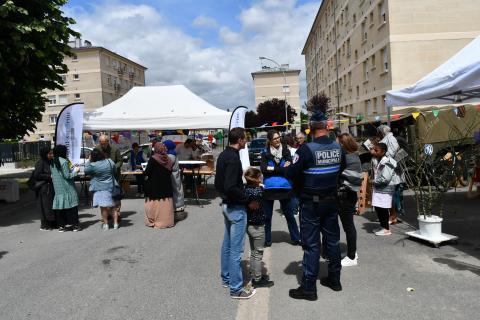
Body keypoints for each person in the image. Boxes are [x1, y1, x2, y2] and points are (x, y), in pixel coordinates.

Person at [286, 110, 346, 300]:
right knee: (333, 242)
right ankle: (335, 280)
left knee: (311, 246)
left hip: (311, 203)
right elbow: (341, 169)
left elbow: (292, 174)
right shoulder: (338, 148)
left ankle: (309, 289)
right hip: (331, 202)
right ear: (327, 127)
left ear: (311, 128)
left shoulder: (306, 149)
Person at [215, 127, 257, 299]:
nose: (246, 141)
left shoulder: (224, 155)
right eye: (245, 138)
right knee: (236, 250)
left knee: (227, 245)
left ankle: (226, 278)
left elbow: (220, 184)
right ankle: (236, 288)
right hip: (235, 208)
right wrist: (248, 199)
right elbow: (230, 186)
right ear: (239, 140)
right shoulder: (232, 158)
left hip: (227, 205)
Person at [260, 129, 300, 247]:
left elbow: (290, 167)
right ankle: (267, 240)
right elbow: (263, 169)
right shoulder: (265, 152)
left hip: (284, 187)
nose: (277, 140)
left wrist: (272, 169)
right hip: (269, 188)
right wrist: (281, 169)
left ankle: (295, 238)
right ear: (270, 141)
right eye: (275, 138)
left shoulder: (286, 150)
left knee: (290, 215)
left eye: (278, 138)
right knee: (267, 217)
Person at [244, 167, 274, 288]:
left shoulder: (245, 189)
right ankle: (257, 278)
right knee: (258, 253)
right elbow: (264, 194)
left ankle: (254, 273)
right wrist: (262, 186)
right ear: (256, 179)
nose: (262, 178)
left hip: (249, 224)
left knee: (253, 251)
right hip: (257, 226)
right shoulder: (258, 191)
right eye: (260, 176)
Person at [337, 133, 363, 267]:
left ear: (343, 144)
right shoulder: (355, 156)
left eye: (338, 144)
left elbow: (342, 175)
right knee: (349, 226)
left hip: (345, 195)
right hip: (350, 194)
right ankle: (352, 252)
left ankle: (352, 257)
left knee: (348, 227)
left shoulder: (347, 158)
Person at [84, 149, 119, 230]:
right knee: (113, 207)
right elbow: (114, 170)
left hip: (99, 188)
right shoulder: (109, 161)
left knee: (103, 207)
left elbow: (86, 170)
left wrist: (89, 160)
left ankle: (106, 224)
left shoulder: (93, 165)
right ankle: (115, 224)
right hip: (110, 186)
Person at [377, 125, 404, 224]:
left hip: (392, 172)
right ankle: (391, 215)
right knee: (390, 194)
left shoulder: (391, 138)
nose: (378, 134)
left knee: (392, 195)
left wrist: (381, 154)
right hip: (388, 171)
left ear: (382, 132)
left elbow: (392, 153)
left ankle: (393, 216)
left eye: (379, 132)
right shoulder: (386, 138)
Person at [50, 145, 81, 232]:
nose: (67, 152)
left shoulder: (52, 162)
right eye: (66, 151)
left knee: (61, 208)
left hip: (58, 188)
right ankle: (75, 225)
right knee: (72, 207)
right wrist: (76, 172)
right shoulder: (63, 161)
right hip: (67, 187)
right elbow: (67, 175)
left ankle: (61, 226)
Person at [143, 142, 174, 229]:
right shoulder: (168, 159)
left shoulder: (153, 158)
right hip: (166, 185)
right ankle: (165, 222)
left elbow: (147, 172)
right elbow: (170, 171)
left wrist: (143, 172)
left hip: (155, 185)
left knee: (154, 204)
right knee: (165, 205)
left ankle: (154, 221)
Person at [370, 142, 397, 236]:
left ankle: (386, 229)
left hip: (385, 189)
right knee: (378, 208)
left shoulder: (387, 162)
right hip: (379, 188)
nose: (374, 151)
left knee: (383, 209)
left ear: (383, 151)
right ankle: (382, 226)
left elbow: (385, 178)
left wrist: (373, 182)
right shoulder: (378, 160)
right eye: (374, 149)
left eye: (376, 150)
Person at [95, 134, 123, 217]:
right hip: (102, 178)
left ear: (108, 142)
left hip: (114, 176)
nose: (102, 144)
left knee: (116, 196)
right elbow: (93, 161)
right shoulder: (97, 149)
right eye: (100, 142)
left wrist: (114, 167)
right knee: (104, 196)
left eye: (103, 143)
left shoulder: (115, 149)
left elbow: (120, 161)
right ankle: (106, 214)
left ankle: (116, 213)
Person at [34, 147, 56, 230]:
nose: (52, 155)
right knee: (45, 206)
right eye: (50, 154)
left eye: (52, 153)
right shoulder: (40, 163)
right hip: (43, 188)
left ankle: (52, 222)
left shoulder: (50, 161)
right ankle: (45, 224)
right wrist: (49, 176)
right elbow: (37, 175)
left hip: (49, 187)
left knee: (50, 206)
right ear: (45, 154)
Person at [164, 140, 185, 213]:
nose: (164, 147)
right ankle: (179, 205)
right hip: (175, 174)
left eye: (165, 146)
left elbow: (167, 166)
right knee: (178, 189)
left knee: (175, 190)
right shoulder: (173, 153)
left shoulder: (170, 155)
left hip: (172, 176)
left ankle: (177, 206)